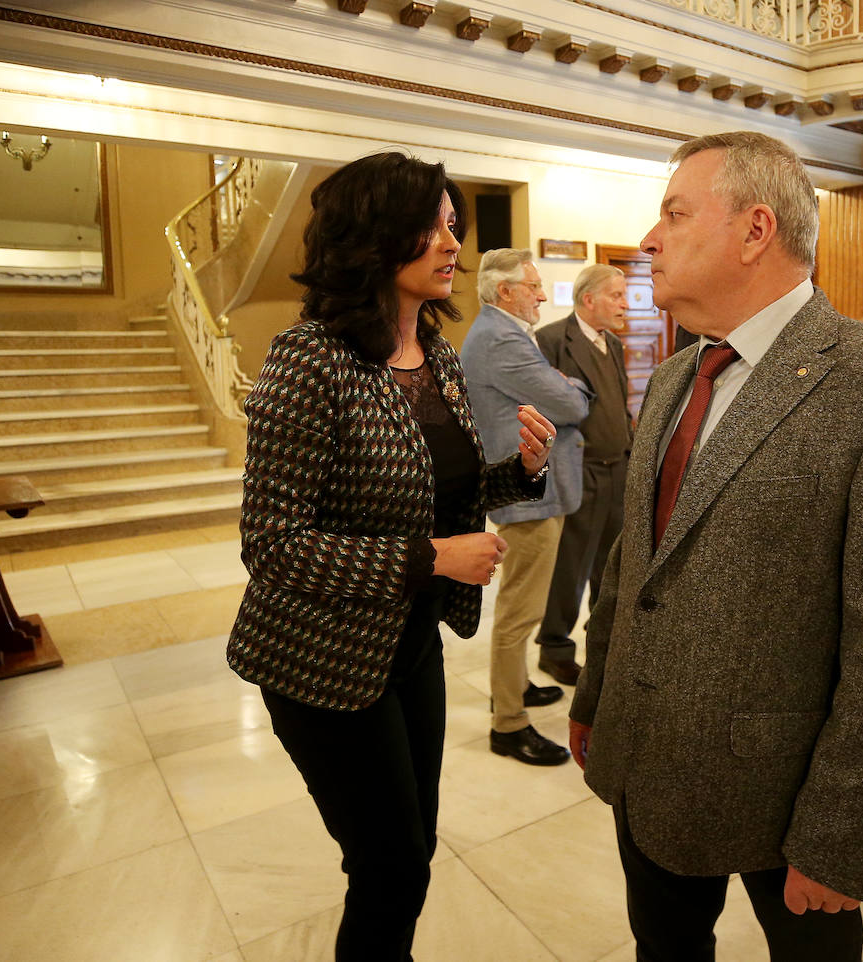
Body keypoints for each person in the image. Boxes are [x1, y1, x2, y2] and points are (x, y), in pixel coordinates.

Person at [568, 131, 863, 961]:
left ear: (756, 231)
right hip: (646, 756)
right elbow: (632, 562)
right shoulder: (677, 374)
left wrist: (841, 836)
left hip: (784, 787)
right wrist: (595, 695)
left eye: (675, 214)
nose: (649, 240)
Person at [227, 152, 559, 961]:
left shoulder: (436, 358)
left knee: (413, 849)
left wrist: (515, 471)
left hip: (409, 649)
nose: (453, 244)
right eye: (435, 225)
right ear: (377, 236)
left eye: (454, 225)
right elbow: (272, 544)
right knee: (390, 864)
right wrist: (431, 561)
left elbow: (429, 496)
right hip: (321, 661)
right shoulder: (307, 359)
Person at [461, 248, 590, 765]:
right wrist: (573, 386)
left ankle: (513, 687)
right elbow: (571, 403)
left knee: (523, 607)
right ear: (503, 292)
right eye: (533, 286)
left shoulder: (506, 333)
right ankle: (508, 723)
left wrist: (563, 385)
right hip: (529, 494)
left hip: (533, 488)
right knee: (520, 613)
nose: (542, 294)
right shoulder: (500, 338)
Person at [533, 264, 633, 684]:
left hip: (619, 470)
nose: (625, 305)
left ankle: (602, 641)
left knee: (612, 566)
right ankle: (555, 647)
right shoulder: (552, 340)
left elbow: (620, 404)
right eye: (616, 296)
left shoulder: (614, 345)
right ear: (588, 299)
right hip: (580, 470)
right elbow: (540, 405)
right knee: (571, 565)